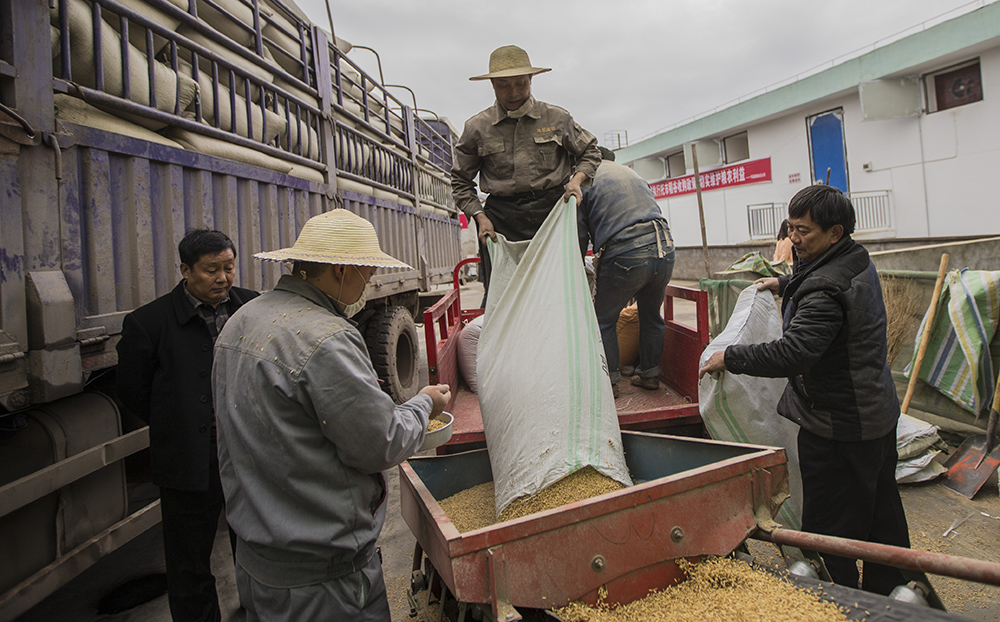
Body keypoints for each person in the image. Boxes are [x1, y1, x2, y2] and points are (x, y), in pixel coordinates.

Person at [212, 209, 451, 621]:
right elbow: (382, 442)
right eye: (366, 273)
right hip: (324, 582)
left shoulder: (239, 321)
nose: (368, 283)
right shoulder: (326, 338)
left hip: (257, 564)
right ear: (341, 270)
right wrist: (424, 403)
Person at [698, 185, 909, 595]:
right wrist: (783, 284)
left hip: (840, 426)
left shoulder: (825, 289)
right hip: (876, 412)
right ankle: (894, 594)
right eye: (790, 228)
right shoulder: (853, 259)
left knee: (831, 527)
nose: (793, 239)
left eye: (803, 231)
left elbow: (795, 353)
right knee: (882, 513)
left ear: (835, 231)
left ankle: (838, 598)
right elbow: (817, 283)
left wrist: (732, 357)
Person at [117, 229, 258, 622]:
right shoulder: (148, 323)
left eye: (229, 267)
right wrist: (184, 423)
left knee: (254, 551)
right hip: (187, 463)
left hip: (248, 454)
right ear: (185, 270)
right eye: (211, 270)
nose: (223, 278)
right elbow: (134, 392)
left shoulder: (252, 307)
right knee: (189, 564)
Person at [452, 44, 602, 296]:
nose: (513, 92)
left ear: (531, 80)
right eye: (503, 85)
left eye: (520, 83)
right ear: (492, 85)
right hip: (501, 223)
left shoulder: (556, 118)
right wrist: (480, 218)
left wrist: (576, 181)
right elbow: (460, 181)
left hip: (554, 214)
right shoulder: (477, 128)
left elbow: (590, 151)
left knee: (561, 292)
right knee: (504, 296)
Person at [579, 146, 675, 399]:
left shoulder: (585, 179)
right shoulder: (632, 174)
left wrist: (575, 265)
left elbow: (580, 234)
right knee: (651, 315)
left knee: (604, 319)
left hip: (627, 251)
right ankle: (650, 375)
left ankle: (610, 382)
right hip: (665, 248)